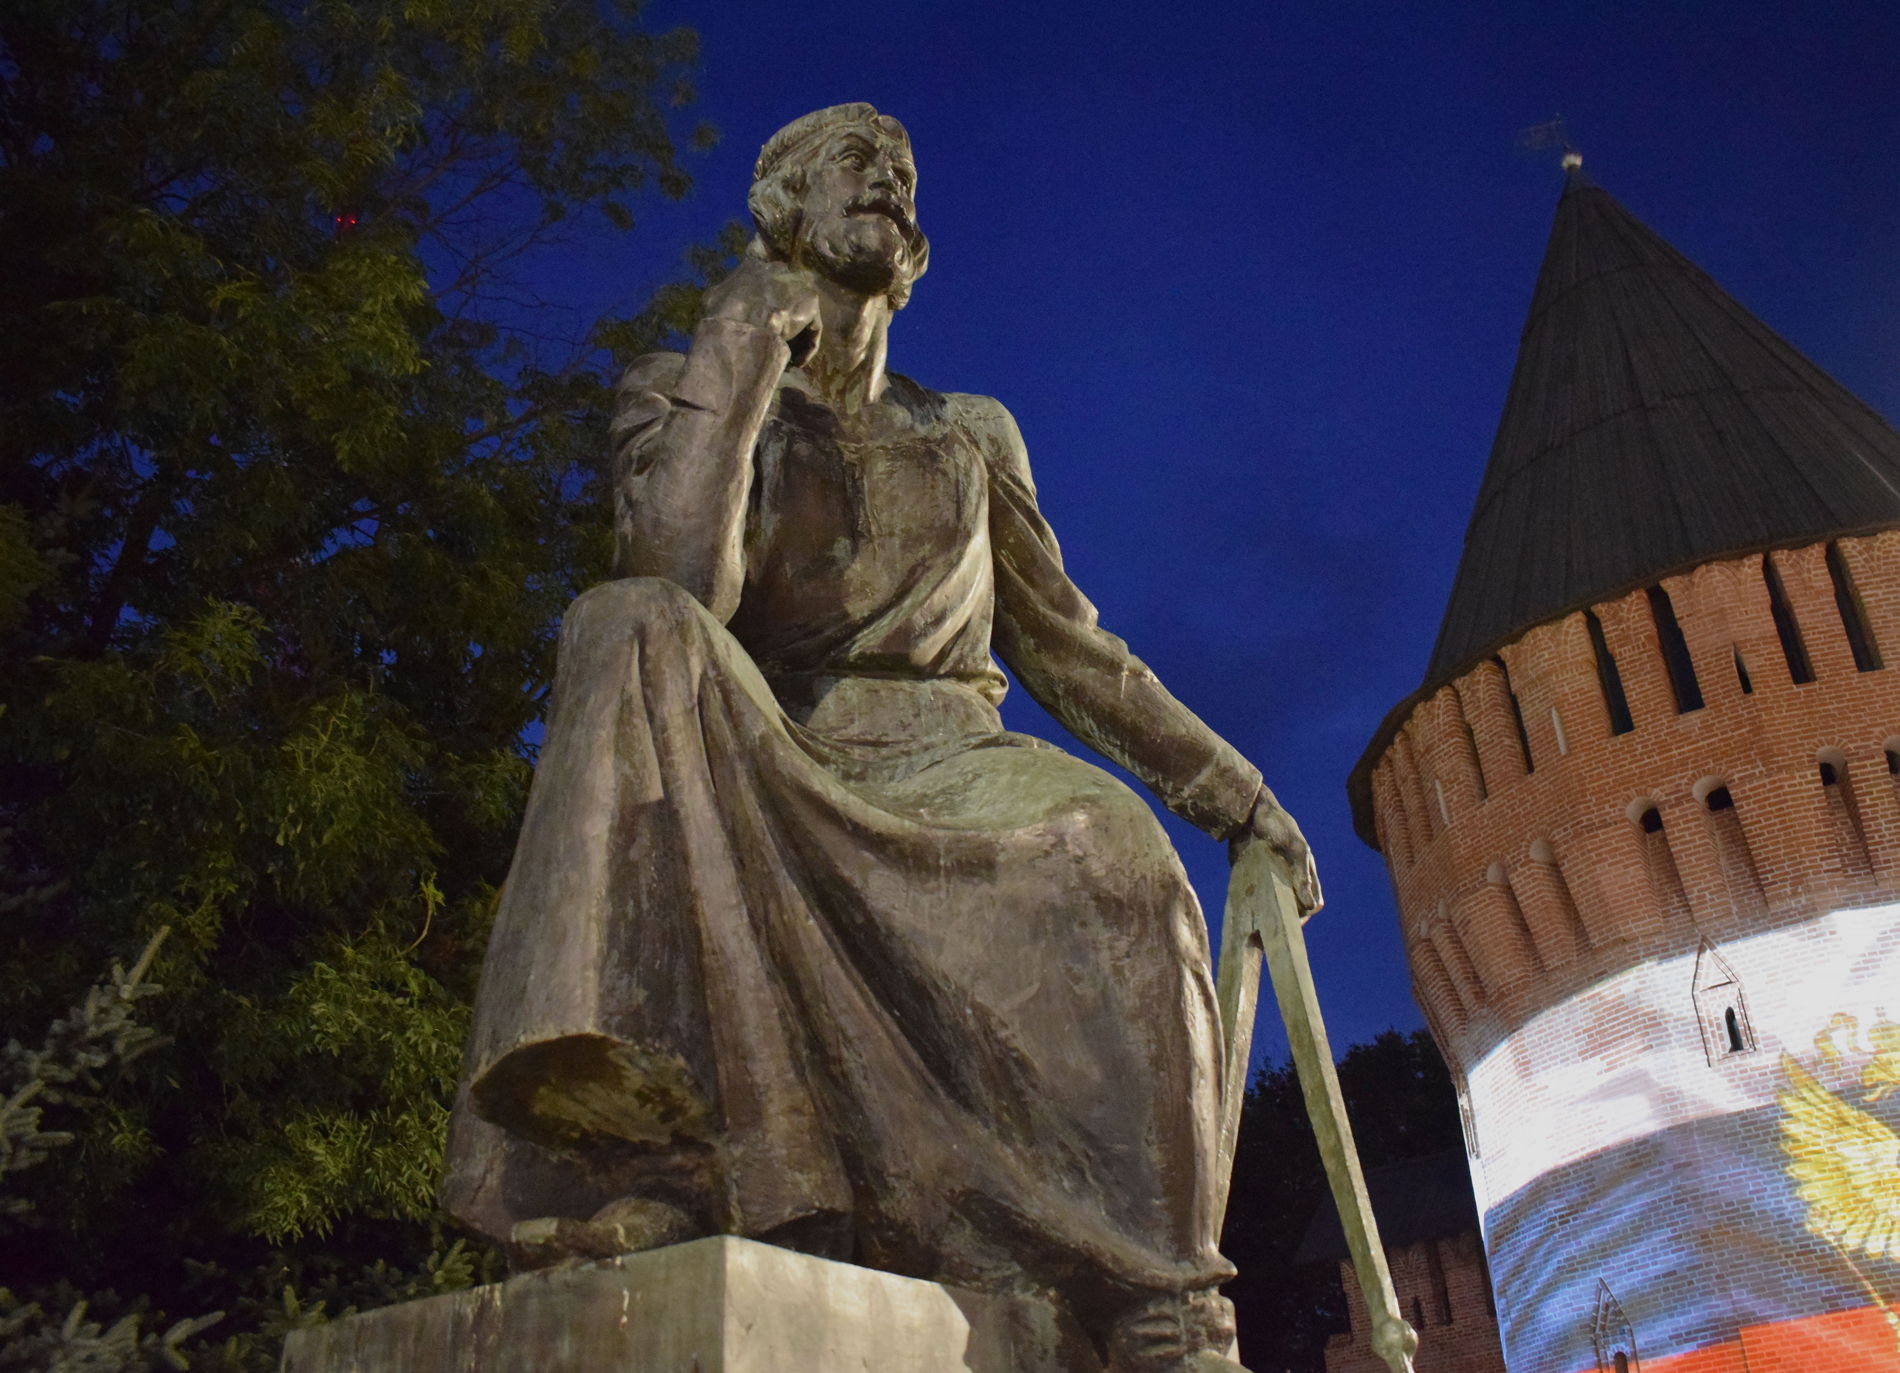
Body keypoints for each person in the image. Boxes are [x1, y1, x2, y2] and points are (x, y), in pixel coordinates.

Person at [440, 103, 1319, 1373]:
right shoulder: (681, 386)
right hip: (770, 751)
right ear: (781, 210)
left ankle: (1164, 1301)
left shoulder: (969, 431)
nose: (888, 183)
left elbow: (1069, 646)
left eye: (902, 173)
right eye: (854, 164)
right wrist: (738, 354)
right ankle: (644, 1157)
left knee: (1120, 856)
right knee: (624, 622)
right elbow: (677, 580)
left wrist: (1236, 795)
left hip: (956, 754)